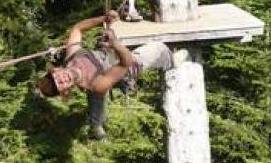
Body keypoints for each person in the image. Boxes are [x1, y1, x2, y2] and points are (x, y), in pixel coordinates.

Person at [37, 10, 185, 140]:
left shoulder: (71, 55)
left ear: (56, 70)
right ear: (66, 91)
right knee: (158, 48)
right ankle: (171, 61)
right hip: (125, 66)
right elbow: (125, 62)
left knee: (117, 27)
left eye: (58, 78)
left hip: (108, 53)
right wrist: (115, 44)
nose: (63, 79)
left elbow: (78, 29)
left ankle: (96, 123)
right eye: (61, 84)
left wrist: (103, 19)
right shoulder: (97, 85)